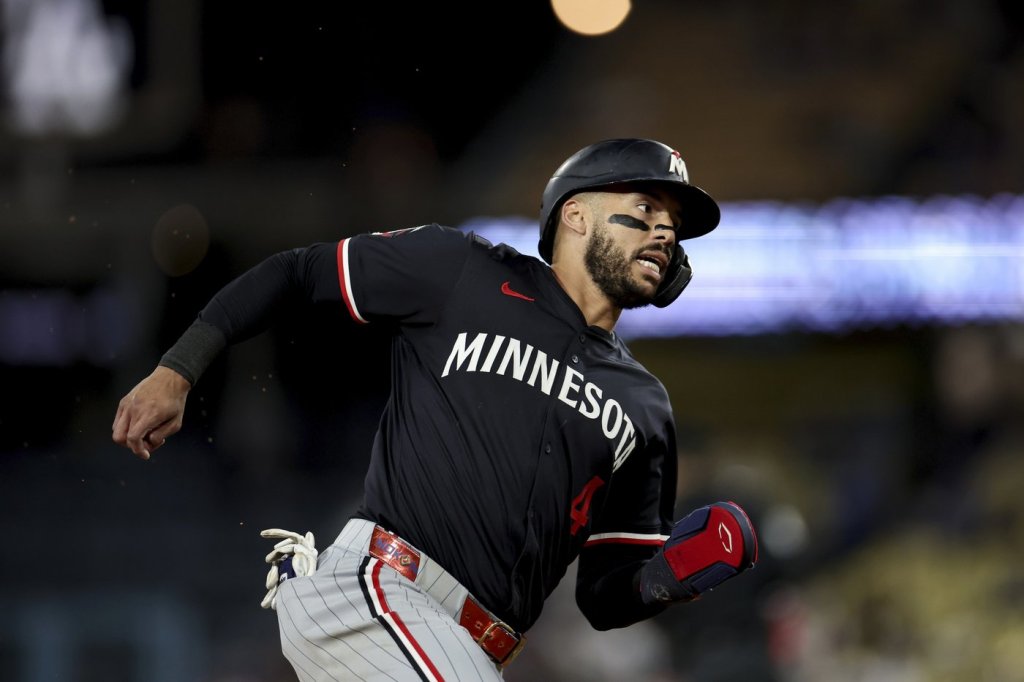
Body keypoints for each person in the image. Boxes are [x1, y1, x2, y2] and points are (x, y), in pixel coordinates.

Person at [112, 138, 759, 681]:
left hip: (471, 649)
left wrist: (665, 577)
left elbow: (602, 594)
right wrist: (178, 369)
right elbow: (297, 272)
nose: (665, 231)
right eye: (646, 208)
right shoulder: (462, 271)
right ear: (576, 215)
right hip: (377, 593)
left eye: (674, 223)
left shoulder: (644, 407)